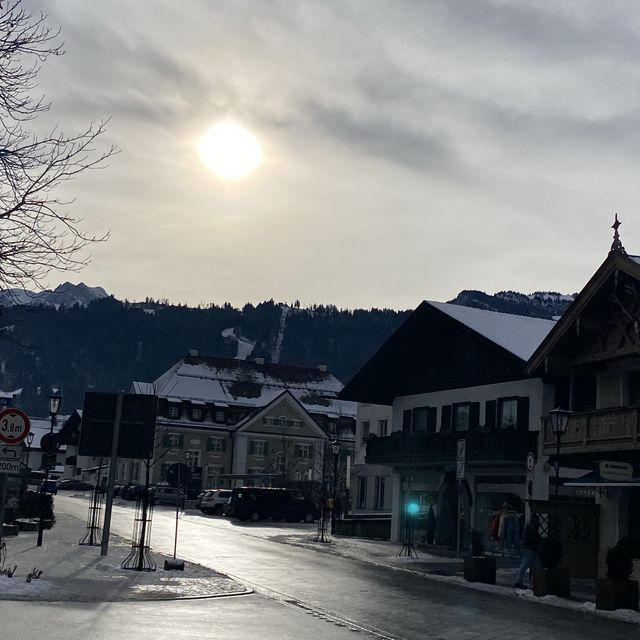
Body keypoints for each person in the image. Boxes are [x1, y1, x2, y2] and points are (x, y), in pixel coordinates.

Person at [514, 513, 541, 588]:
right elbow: (534, 537)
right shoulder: (532, 527)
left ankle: (520, 581)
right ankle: (535, 582)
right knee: (533, 566)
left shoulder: (530, 526)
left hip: (528, 548)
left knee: (527, 565)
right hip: (530, 548)